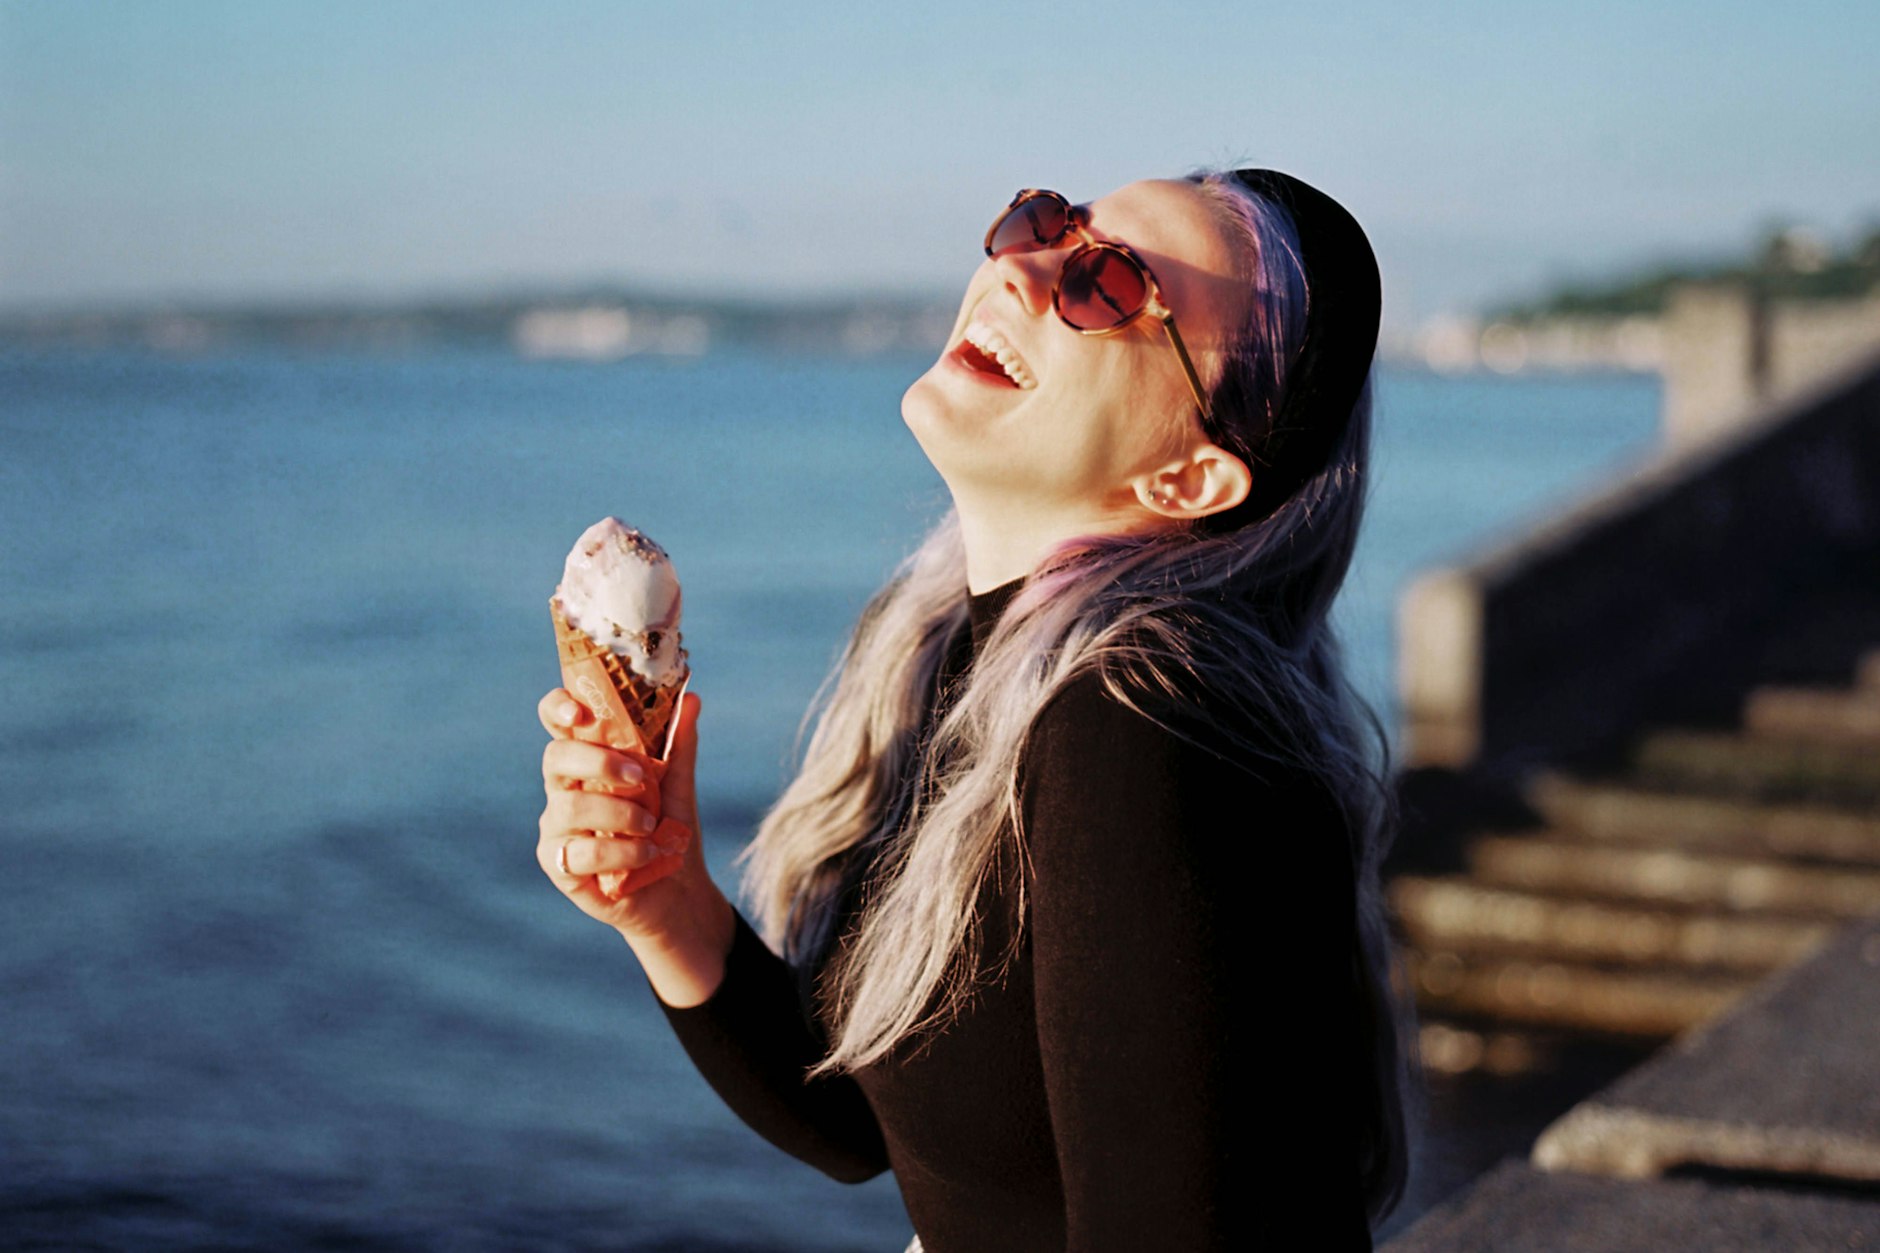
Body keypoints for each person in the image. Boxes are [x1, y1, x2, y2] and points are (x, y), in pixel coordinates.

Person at [534, 166, 1421, 1251]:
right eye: (1047, 219)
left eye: (1105, 281)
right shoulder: (958, 653)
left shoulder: (1142, 732)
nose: (1020, 259)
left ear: (1188, 478)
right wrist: (665, 902)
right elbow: (874, 1124)